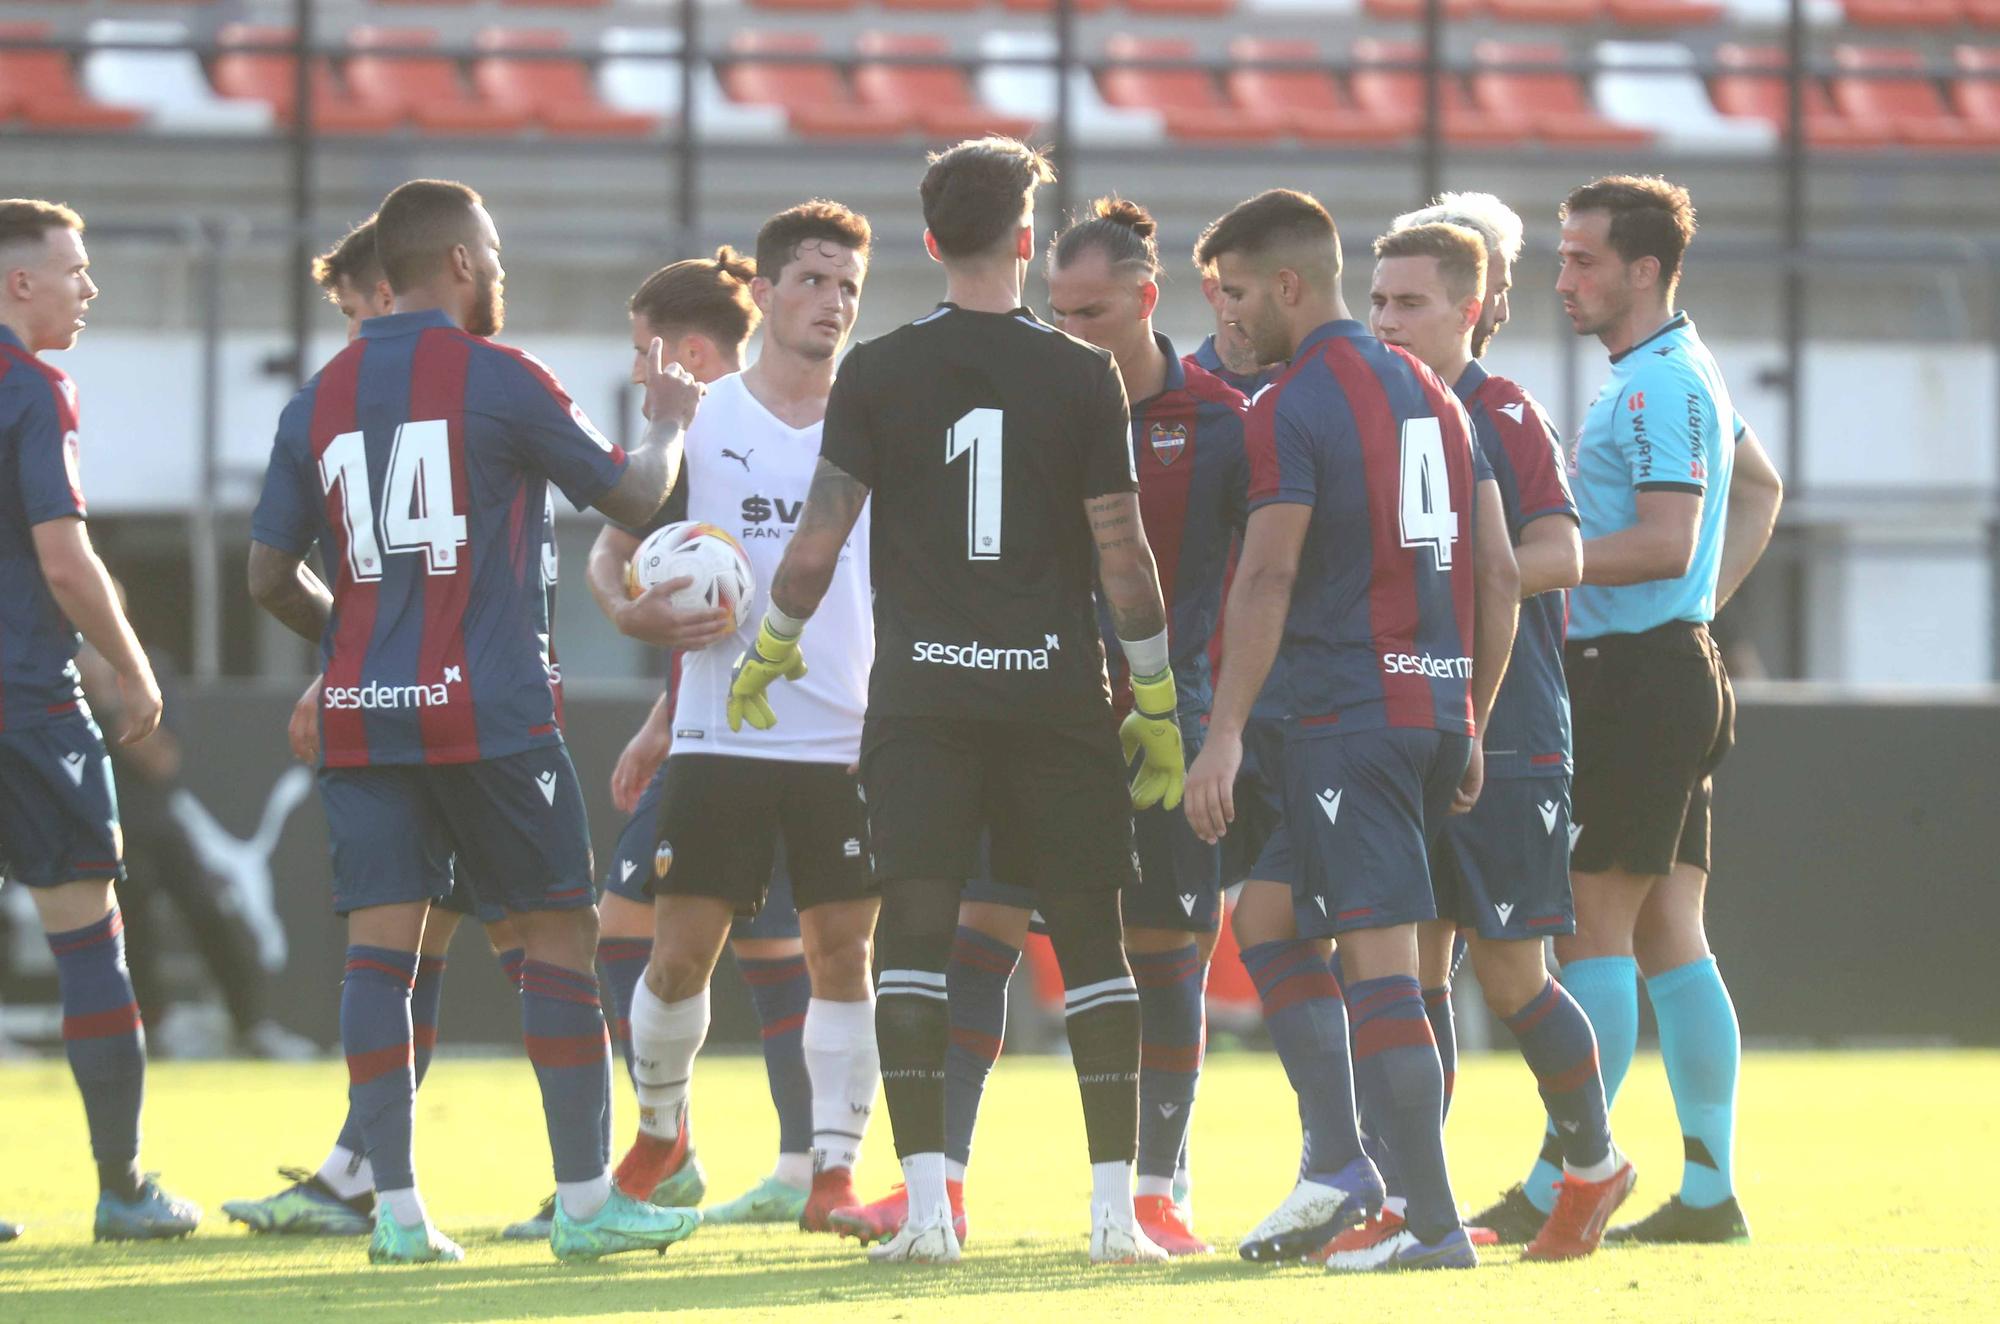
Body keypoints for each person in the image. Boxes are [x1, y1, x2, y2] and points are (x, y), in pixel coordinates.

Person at [727, 137, 1184, 1266]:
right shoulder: (1083, 373)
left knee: (915, 945)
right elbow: (1121, 558)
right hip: (1055, 697)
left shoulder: (875, 371)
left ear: (928, 241)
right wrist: (1160, 698)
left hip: (922, 699)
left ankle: (928, 1211)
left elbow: (814, 545)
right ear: (1027, 240)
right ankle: (1114, 1215)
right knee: (1092, 948)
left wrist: (771, 647)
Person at [246, 178, 705, 1264]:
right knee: (555, 933)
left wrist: (347, 645)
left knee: (380, 957)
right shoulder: (501, 379)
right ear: (456, 262)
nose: (496, 267)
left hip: (365, 717)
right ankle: (587, 1202)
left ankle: (398, 1216)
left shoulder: (313, 397)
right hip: (490, 713)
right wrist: (672, 424)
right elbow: (635, 499)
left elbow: (269, 574)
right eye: (489, 250)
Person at [867, 195, 1244, 1257]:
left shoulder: (1217, 422)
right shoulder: (1036, 393)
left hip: (1154, 725)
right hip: (1025, 711)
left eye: (1090, 312)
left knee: (1162, 952)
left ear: (1144, 299)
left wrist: (1200, 719)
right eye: (1058, 308)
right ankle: (941, 1184)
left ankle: (1157, 1188)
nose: (1070, 327)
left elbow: (1258, 576)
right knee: (975, 939)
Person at [1180, 188, 1519, 1274]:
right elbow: (1498, 575)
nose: (1227, 315)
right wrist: (1467, 714)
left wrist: (1223, 731)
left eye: (1235, 292)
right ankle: (1347, 1167)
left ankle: (1428, 1226)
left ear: (1287, 284)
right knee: (1270, 920)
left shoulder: (1290, 403)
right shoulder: (1436, 392)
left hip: (1346, 718)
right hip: (1426, 708)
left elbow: (1269, 569)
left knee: (1380, 966)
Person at [225, 215, 548, 1239]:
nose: (360, 333)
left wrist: (358, 661)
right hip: (444, 698)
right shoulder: (462, 390)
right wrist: (353, 661)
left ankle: (613, 1165)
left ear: (395, 287)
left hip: (466, 709)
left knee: (521, 940)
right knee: (440, 943)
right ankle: (365, 1168)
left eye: (362, 306)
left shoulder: (466, 390)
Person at [1495, 175, 1780, 1246]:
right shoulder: (1676, 369)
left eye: (1580, 259)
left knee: (1591, 930)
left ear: (1643, 270)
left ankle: (1561, 1180)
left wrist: (1521, 568)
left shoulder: (1656, 386)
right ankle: (1706, 1193)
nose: (1560, 276)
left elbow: (1665, 536)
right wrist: (1696, 607)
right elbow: (1759, 487)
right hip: (1669, 665)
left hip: (1632, 678)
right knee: (1669, 931)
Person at [598, 202, 884, 1237]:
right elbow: (610, 544)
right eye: (811, 280)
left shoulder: (875, 416)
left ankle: (832, 1173)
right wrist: (626, 608)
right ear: (760, 294)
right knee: (678, 954)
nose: (832, 301)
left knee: (841, 954)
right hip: (719, 731)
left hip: (843, 730)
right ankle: (662, 1133)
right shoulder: (706, 417)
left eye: (848, 285)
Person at [1364, 203, 1633, 1261]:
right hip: (1415, 729)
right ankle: (1411, 1201)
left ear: (1469, 311)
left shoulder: (1500, 409)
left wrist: (1465, 581)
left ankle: (1592, 1161)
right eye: (1376, 299)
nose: (1385, 320)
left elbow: (1560, 552)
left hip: (1507, 730)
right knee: (1413, 970)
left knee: (1510, 970)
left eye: (1410, 302)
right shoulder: (1381, 418)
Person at [0, 197, 200, 1242]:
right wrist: (128, 664)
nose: (89, 287)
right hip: (27, 709)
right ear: (18, 283)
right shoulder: (33, 388)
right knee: (89, 945)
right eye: (73, 270)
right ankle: (123, 1189)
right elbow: (63, 558)